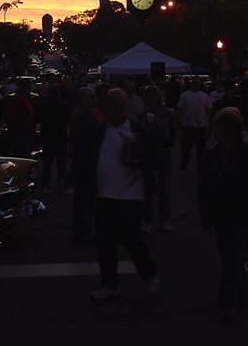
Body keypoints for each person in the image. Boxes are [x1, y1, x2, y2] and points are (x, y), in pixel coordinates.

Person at [198, 107, 248, 321]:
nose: (213, 131)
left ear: (226, 130)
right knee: (230, 258)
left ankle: (227, 303)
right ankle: (238, 291)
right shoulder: (213, 153)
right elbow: (204, 184)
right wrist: (205, 210)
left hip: (243, 214)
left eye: (217, 128)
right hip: (220, 214)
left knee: (233, 259)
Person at [88, 88, 162, 300]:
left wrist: (138, 157)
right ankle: (110, 284)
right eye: (112, 106)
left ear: (127, 106)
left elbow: (156, 156)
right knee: (105, 242)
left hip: (132, 195)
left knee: (132, 239)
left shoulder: (139, 130)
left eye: (120, 105)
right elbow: (87, 158)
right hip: (105, 196)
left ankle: (148, 273)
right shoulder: (100, 131)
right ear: (106, 108)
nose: (117, 110)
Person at [138, 84, 176, 232]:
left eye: (153, 95)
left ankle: (164, 219)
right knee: (147, 188)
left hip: (163, 153)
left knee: (164, 189)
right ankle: (147, 219)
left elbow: (172, 133)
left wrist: (167, 139)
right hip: (148, 154)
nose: (150, 99)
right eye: (147, 96)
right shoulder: (142, 116)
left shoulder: (167, 114)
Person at [68, 86, 99, 243]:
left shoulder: (85, 114)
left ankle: (83, 230)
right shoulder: (80, 117)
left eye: (94, 96)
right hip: (84, 165)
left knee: (86, 200)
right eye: (91, 97)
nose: (94, 99)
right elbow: (83, 143)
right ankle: (81, 232)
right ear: (82, 99)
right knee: (84, 200)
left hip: (86, 164)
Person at [37, 83, 70, 192]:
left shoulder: (43, 106)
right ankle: (61, 185)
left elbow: (38, 120)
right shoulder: (64, 105)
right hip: (61, 137)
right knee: (61, 164)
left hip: (47, 137)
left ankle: (45, 185)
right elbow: (68, 121)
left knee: (47, 163)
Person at [176, 78, 212, 170]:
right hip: (188, 126)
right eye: (194, 83)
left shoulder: (204, 96)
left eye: (197, 83)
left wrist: (208, 122)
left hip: (201, 126)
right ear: (191, 84)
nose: (196, 85)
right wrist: (179, 120)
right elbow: (179, 109)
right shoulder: (185, 95)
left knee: (201, 148)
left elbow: (209, 109)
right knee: (186, 148)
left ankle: (199, 164)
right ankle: (185, 160)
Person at [2, 77, 37, 158]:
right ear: (23, 87)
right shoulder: (17, 98)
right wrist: (12, 128)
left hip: (25, 133)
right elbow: (6, 113)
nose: (29, 89)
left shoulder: (24, 98)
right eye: (28, 87)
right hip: (21, 134)